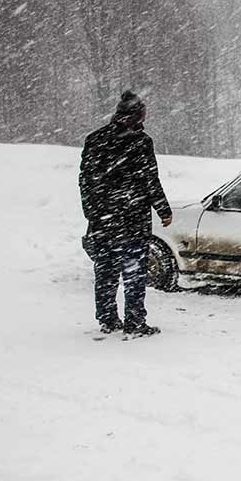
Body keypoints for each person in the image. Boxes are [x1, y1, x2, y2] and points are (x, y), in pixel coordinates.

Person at [79, 90, 172, 336]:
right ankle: (134, 321)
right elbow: (150, 179)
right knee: (134, 274)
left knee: (106, 272)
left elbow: (86, 181)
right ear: (138, 116)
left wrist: (93, 213)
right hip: (133, 219)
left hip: (103, 221)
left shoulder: (95, 139)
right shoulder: (141, 142)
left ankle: (108, 318)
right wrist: (163, 209)